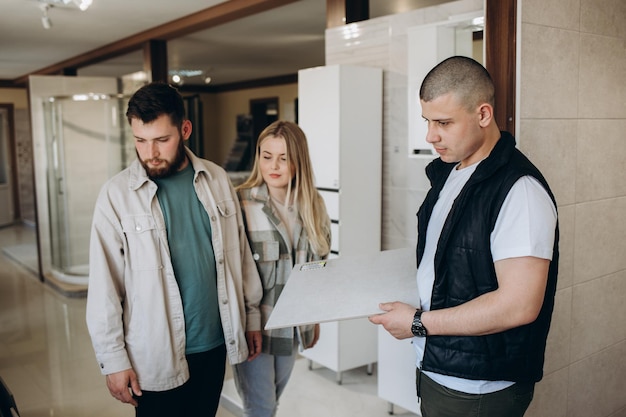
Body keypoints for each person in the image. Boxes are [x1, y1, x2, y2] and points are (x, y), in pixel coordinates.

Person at [369, 56, 559, 417]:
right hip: (441, 367)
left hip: (479, 387)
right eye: (427, 121)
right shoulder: (450, 173)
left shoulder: (520, 190)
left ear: (483, 114)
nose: (430, 135)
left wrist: (417, 323)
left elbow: (520, 305)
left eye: (443, 122)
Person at [85, 82, 263, 417]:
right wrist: (113, 360)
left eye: (161, 140)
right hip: (154, 355)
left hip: (213, 345)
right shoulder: (116, 195)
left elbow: (239, 255)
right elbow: (104, 288)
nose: (149, 152)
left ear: (184, 129)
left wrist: (251, 315)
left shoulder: (217, 178)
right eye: (140, 140)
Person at [232, 120, 331, 417]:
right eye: (267, 156)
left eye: (284, 158)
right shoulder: (241, 204)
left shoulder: (314, 205)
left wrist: (312, 318)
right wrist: (248, 323)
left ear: (298, 161)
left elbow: (319, 269)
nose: (273, 165)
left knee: (272, 404)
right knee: (260, 408)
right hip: (255, 329)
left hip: (292, 328)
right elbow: (234, 274)